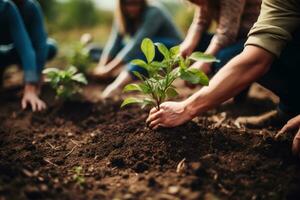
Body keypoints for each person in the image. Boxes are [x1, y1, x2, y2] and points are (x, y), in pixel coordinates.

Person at [146, 0, 300, 155]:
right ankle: (289, 109)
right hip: (257, 40)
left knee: (224, 58)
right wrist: (188, 44)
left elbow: (230, 36)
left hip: (243, 37)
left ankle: (277, 104)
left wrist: (204, 63)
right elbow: (201, 19)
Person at [91, 0, 182, 98]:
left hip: (171, 49)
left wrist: (108, 70)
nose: (132, 8)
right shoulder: (122, 17)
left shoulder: (154, 12)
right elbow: (114, 43)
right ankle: (118, 72)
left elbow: (138, 44)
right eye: (128, 4)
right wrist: (102, 66)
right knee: (93, 51)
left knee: (148, 46)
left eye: (136, 4)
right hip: (143, 49)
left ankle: (116, 86)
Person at [0, 0, 57, 111]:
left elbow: (34, 46)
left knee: (50, 47)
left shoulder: (27, 8)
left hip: (17, 51)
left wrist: (32, 83)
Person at [180, 0, 261, 75]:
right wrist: (188, 44)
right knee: (198, 43)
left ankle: (227, 87)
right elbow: (201, 21)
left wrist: (205, 61)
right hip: (233, 36)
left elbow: (226, 34)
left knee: (224, 58)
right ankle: (209, 79)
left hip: (253, 38)